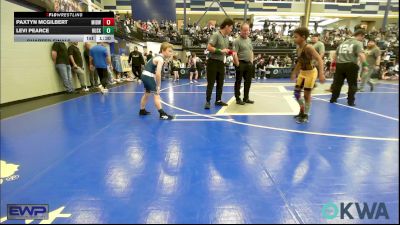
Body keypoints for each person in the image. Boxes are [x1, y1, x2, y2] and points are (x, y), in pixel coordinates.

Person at [291, 27, 325, 124]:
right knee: (297, 94)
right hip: (303, 73)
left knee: (306, 95)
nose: (294, 39)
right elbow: (300, 62)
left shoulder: (309, 47)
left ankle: (305, 114)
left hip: (311, 73)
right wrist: (295, 72)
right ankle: (302, 110)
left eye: (296, 37)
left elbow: (319, 59)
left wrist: (321, 74)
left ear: (303, 37)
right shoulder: (298, 48)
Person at [330, 29, 368, 106]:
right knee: (352, 84)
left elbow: (335, 54)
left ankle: (333, 99)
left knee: (337, 83)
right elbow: (361, 54)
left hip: (340, 65)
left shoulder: (342, 43)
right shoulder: (358, 43)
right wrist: (365, 65)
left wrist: (333, 65)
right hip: (351, 65)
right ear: (361, 35)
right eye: (363, 37)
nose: (363, 39)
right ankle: (350, 101)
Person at [204, 18, 235, 109]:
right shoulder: (216, 35)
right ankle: (208, 101)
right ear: (226, 26)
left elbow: (224, 51)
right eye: (231, 28)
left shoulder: (226, 38)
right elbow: (209, 47)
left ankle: (218, 100)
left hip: (221, 63)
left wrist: (230, 52)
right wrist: (220, 50)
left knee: (220, 83)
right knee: (211, 83)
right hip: (212, 62)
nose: (231, 30)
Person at [139, 42, 174, 120]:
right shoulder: (160, 59)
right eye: (169, 51)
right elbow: (158, 74)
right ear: (163, 50)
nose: (171, 53)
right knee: (156, 94)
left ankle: (142, 110)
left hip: (144, 75)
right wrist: (158, 86)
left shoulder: (157, 57)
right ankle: (162, 114)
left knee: (147, 94)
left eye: (171, 51)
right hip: (148, 76)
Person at [232, 23, 255, 105]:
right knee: (238, 81)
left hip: (248, 63)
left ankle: (246, 98)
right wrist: (238, 64)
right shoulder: (237, 41)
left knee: (248, 82)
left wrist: (251, 62)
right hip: (240, 63)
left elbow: (251, 51)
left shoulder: (249, 39)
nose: (246, 32)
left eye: (247, 30)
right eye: (244, 30)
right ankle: (238, 98)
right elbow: (234, 53)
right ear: (240, 30)